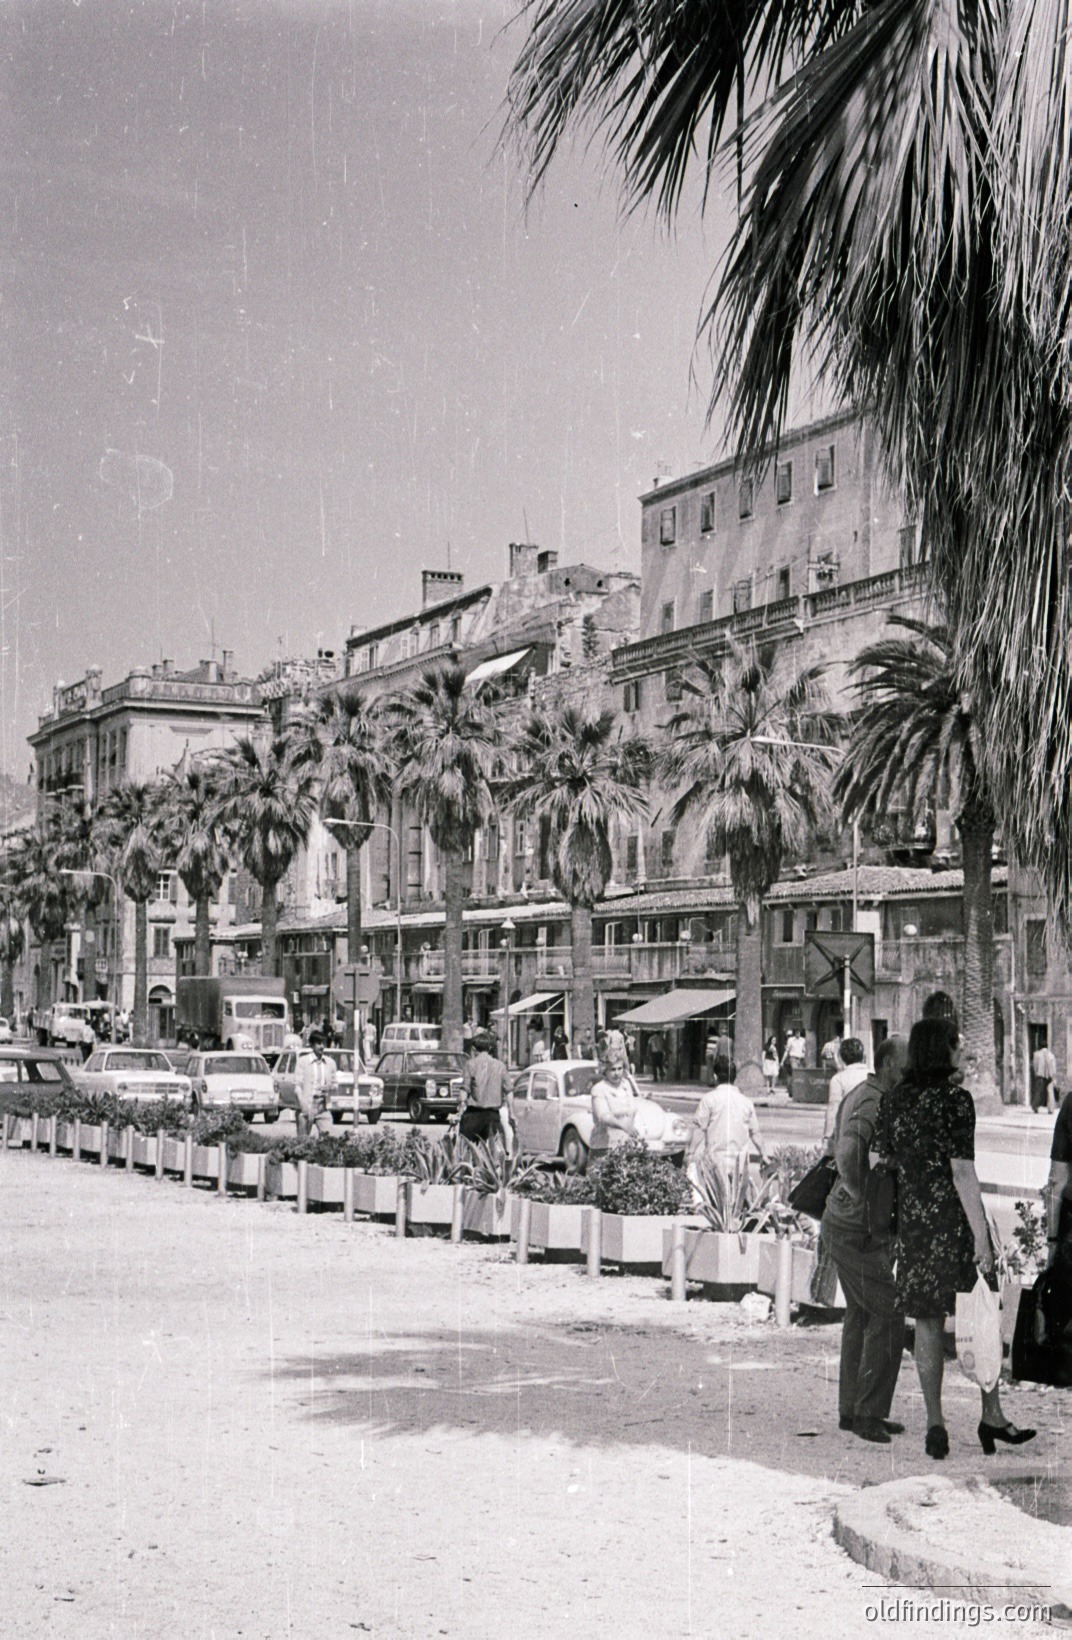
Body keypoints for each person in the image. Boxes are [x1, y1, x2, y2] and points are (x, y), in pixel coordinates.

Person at [875, 1018, 1035, 1459]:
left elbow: (884, 1158)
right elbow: (963, 1171)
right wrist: (982, 1238)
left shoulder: (895, 1101)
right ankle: (991, 1413)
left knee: (926, 1323)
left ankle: (935, 1423)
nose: (962, 1051)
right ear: (939, 1050)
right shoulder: (956, 1101)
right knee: (982, 1313)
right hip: (953, 1224)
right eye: (956, 1045)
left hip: (915, 1225)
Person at [821, 1036, 909, 1444]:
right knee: (889, 1313)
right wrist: (861, 1197)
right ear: (890, 1065)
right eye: (907, 1066)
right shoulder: (876, 1100)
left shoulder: (860, 1091)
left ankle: (851, 1408)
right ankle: (868, 1413)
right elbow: (847, 1150)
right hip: (854, 1225)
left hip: (841, 1220)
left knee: (860, 1312)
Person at [687, 1054, 765, 1178]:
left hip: (715, 1166)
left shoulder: (708, 1100)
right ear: (734, 1078)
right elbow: (755, 1132)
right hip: (739, 1168)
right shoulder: (746, 1102)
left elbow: (699, 1129)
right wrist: (763, 1154)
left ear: (715, 1076)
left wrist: (690, 1154)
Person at [459, 1031, 514, 1146]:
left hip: (473, 1115)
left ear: (474, 1049)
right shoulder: (500, 1066)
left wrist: (459, 1111)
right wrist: (512, 1113)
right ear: (489, 1048)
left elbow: (465, 1090)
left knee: (467, 1152)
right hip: (492, 1116)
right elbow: (509, 1091)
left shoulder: (470, 1064)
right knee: (491, 1154)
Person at [589, 1050, 641, 1156]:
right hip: (604, 1148)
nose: (617, 1073)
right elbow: (603, 1117)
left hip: (626, 1146)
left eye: (619, 1068)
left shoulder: (626, 1085)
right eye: (612, 1070)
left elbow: (631, 1111)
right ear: (605, 1071)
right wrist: (624, 1126)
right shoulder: (599, 1089)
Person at [823, 1038, 869, 1143]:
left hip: (848, 1136)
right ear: (863, 1056)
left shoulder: (839, 1079)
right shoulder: (874, 1076)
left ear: (841, 1058)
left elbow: (833, 1109)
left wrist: (827, 1137)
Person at [297, 1030, 337, 1139]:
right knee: (302, 1142)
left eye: (323, 1043)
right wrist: (303, 1105)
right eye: (319, 1043)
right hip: (307, 1106)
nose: (322, 1047)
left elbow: (335, 1085)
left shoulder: (330, 1063)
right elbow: (298, 1086)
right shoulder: (303, 1062)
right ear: (312, 1045)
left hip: (323, 1107)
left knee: (328, 1140)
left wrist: (330, 1088)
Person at [1032, 1041, 1059, 1113]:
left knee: (1038, 1092)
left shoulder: (1036, 1054)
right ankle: (1051, 1109)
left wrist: (1036, 1073)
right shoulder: (1051, 1055)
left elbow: (1035, 1066)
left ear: (1040, 1046)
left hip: (1040, 1075)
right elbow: (1054, 1068)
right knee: (1050, 1092)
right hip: (1049, 1076)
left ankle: (1035, 1107)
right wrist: (1054, 1077)